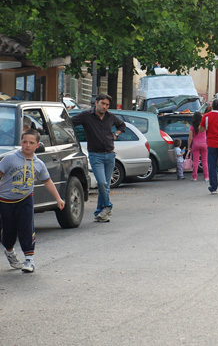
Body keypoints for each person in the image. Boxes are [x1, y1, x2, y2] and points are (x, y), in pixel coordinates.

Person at [0, 129, 65, 273]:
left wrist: (58, 198)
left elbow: (47, 181)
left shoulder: (39, 164)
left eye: (31, 143)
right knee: (9, 231)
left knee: (27, 228)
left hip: (25, 200)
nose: (27, 145)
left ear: (37, 145)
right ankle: (10, 252)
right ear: (21, 143)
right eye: (24, 142)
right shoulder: (9, 159)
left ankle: (29, 259)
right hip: (5, 201)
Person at [71, 94, 126, 222]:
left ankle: (100, 213)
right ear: (96, 102)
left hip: (110, 154)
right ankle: (108, 206)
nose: (105, 107)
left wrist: (116, 135)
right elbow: (70, 123)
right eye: (102, 103)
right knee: (101, 183)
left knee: (105, 186)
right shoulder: (86, 116)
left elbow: (122, 126)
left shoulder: (110, 117)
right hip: (96, 155)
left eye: (107, 105)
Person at [188, 109, 209, 182]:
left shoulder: (192, 127)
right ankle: (206, 176)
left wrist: (189, 147)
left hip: (195, 144)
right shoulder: (203, 126)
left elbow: (190, 138)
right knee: (204, 161)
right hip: (204, 144)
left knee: (196, 161)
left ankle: (194, 177)